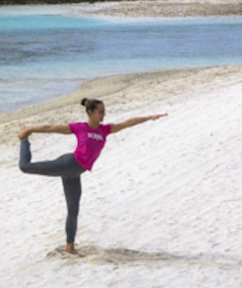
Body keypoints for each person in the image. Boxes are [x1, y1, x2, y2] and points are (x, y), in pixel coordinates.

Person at [18, 98, 166, 255]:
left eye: (104, 111)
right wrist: (30, 130)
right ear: (90, 112)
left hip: (75, 173)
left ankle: (70, 247)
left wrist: (149, 117)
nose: (104, 115)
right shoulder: (80, 128)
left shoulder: (104, 130)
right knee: (25, 167)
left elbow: (127, 123)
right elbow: (52, 128)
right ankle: (23, 139)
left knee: (73, 210)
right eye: (101, 112)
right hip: (67, 164)